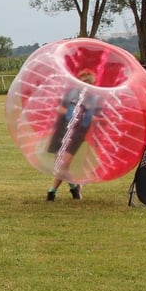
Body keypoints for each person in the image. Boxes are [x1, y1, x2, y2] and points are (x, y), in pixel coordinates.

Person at [46, 68, 99, 201]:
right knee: (60, 164)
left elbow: (97, 118)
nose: (86, 86)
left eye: (89, 84)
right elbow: (61, 109)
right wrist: (75, 114)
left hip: (78, 134)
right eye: (84, 83)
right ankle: (73, 188)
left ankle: (52, 191)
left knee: (65, 163)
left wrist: (86, 116)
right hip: (63, 130)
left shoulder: (94, 99)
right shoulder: (72, 94)